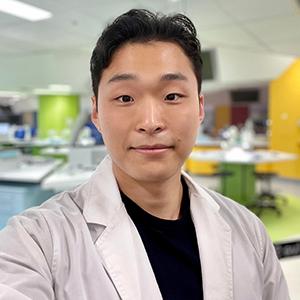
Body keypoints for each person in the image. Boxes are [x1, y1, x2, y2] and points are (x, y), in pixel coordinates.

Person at [0, 9, 289, 300]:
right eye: (125, 98)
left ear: (200, 108)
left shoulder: (250, 232)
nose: (151, 122)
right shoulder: (36, 241)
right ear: (97, 113)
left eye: (172, 96)